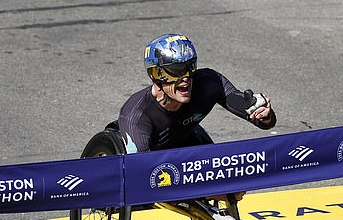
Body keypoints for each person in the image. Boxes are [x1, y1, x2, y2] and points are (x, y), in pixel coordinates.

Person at [118, 33, 275, 154]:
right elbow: (140, 177)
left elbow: (263, 122)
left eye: (190, 66)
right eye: (177, 70)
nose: (186, 77)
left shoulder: (209, 83)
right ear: (156, 74)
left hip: (185, 141)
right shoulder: (136, 116)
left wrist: (264, 114)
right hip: (150, 164)